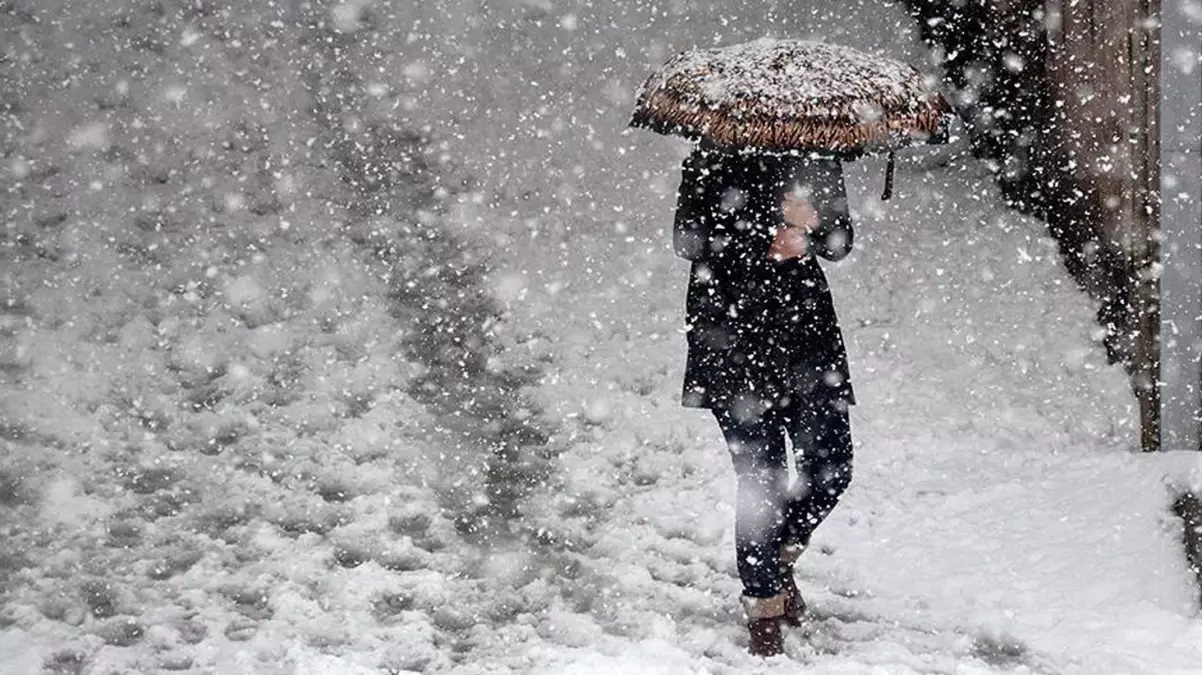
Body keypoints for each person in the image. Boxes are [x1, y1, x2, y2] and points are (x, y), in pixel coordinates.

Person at [673, 141, 855, 657]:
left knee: (832, 466)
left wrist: (813, 227)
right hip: (732, 338)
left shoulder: (817, 155)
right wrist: (764, 232)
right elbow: (688, 240)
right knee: (762, 482)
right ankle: (763, 611)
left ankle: (774, 559)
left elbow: (840, 243)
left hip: (807, 340)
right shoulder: (711, 158)